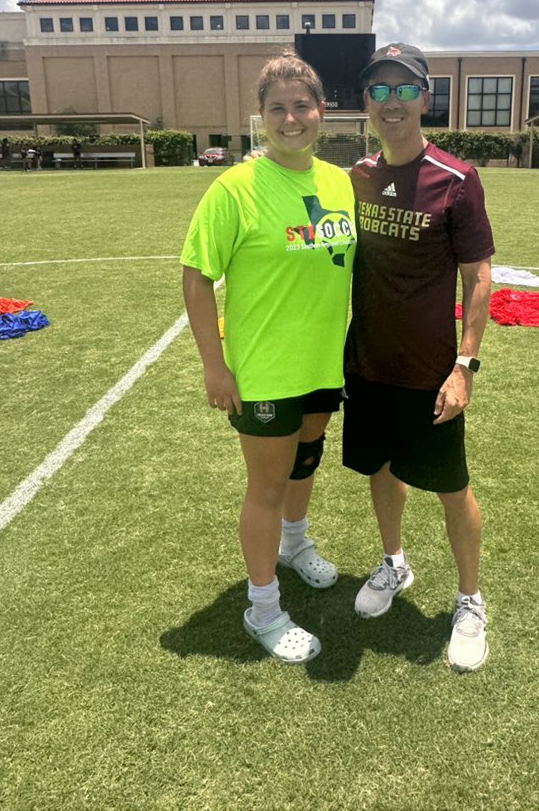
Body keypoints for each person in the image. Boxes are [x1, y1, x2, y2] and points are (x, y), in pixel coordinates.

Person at [181, 52, 357, 664]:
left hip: (323, 364)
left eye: (301, 106)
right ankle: (262, 610)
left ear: (321, 111)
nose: (290, 119)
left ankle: (295, 544)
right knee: (267, 486)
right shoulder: (234, 189)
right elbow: (196, 276)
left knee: (306, 461)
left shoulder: (339, 184)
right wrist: (214, 365)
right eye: (277, 108)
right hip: (263, 371)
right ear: (261, 115)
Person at [343, 43, 495, 672]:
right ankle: (393, 563)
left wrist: (464, 366)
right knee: (382, 471)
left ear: (425, 99)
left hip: (431, 374)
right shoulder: (355, 179)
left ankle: (469, 599)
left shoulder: (456, 180)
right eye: (379, 90)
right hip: (366, 364)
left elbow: (478, 278)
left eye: (404, 90)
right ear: (366, 102)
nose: (392, 102)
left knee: (452, 488)